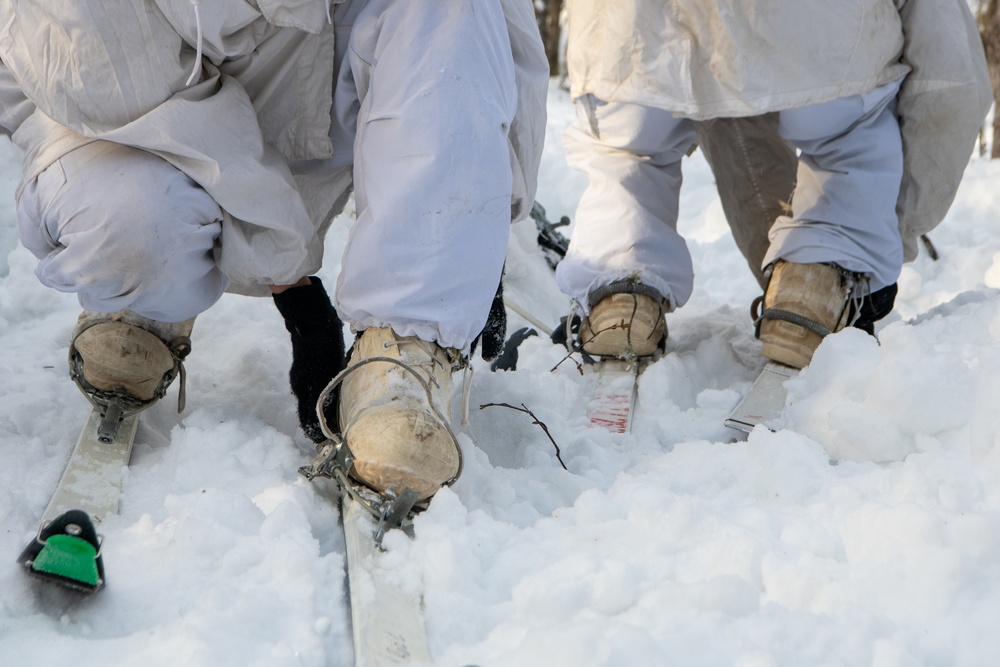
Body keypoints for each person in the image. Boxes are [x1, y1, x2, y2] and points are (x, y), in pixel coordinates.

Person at [0, 0, 548, 502]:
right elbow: (138, 96)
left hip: (312, 55)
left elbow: (489, 38)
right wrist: (292, 284)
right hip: (108, 110)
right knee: (130, 231)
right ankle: (145, 297)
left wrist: (468, 216)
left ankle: (400, 357)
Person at [554, 0, 990, 368]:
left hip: (622, 29)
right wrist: (886, 235)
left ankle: (620, 289)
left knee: (629, 152)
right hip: (818, 29)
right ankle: (819, 277)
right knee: (846, 137)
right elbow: (949, 83)